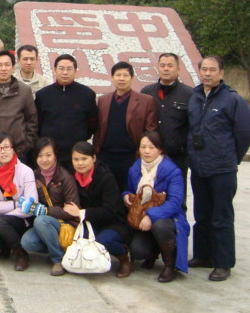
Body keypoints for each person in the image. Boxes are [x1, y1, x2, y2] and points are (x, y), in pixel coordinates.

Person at [186, 56, 250, 281]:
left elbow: (244, 134)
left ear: (221, 73)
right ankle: (203, 255)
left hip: (222, 169)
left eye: (212, 70)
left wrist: (231, 158)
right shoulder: (194, 96)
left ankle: (223, 263)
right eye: (204, 69)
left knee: (221, 217)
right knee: (201, 214)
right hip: (198, 167)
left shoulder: (233, 100)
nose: (207, 73)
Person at [122, 131, 189, 283]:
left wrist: (151, 215)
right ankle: (153, 252)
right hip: (141, 217)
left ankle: (170, 264)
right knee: (138, 251)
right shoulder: (135, 168)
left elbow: (175, 203)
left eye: (152, 147)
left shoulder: (172, 171)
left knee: (160, 226)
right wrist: (126, 196)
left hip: (168, 219)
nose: (146, 151)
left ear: (160, 149)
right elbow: (129, 189)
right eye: (143, 147)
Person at [63, 141, 133, 277]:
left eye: (84, 159)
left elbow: (110, 211)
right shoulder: (72, 176)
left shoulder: (106, 177)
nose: (80, 163)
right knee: (80, 241)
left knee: (102, 241)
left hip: (113, 222)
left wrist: (81, 213)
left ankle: (124, 257)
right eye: (76, 159)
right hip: (91, 222)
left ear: (94, 158)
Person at [20, 137, 80, 276]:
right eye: (40, 156)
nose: (44, 160)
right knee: (27, 242)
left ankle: (58, 260)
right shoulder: (34, 175)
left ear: (55, 155)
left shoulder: (65, 177)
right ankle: (59, 249)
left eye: (48, 155)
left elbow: (72, 211)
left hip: (64, 223)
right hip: (45, 224)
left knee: (41, 220)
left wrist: (45, 210)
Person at [94, 61, 157, 192]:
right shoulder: (103, 100)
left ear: (132, 78)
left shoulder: (146, 101)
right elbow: (98, 128)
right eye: (118, 75)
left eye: (125, 75)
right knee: (108, 192)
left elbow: (151, 130)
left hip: (131, 157)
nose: (121, 79)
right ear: (112, 77)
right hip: (106, 156)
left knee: (130, 193)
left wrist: (142, 153)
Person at [0, 132, 37, 271]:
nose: (2, 151)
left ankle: (20, 253)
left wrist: (4, 214)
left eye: (6, 147)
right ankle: (6, 243)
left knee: (0, 221)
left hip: (20, 219)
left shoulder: (26, 171)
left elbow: (31, 206)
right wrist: (16, 204)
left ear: (13, 149)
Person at [141, 53, 193, 201]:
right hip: (151, 156)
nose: (166, 69)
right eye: (162, 65)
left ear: (178, 69)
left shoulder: (189, 94)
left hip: (177, 156)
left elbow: (193, 125)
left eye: (170, 66)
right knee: (149, 197)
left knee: (177, 197)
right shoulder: (147, 92)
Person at [35, 54, 98, 172]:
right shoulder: (43, 95)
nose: (65, 72)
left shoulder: (87, 94)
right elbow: (38, 123)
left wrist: (81, 136)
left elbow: (92, 123)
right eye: (61, 68)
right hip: (50, 153)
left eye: (69, 69)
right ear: (55, 70)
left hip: (76, 153)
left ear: (75, 71)